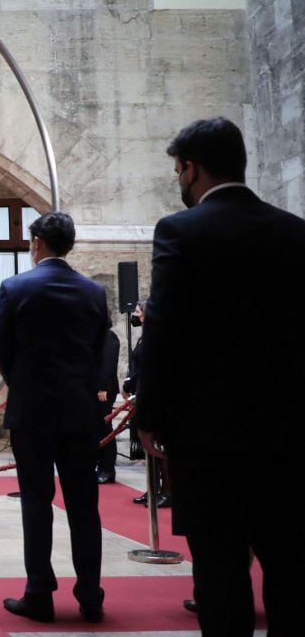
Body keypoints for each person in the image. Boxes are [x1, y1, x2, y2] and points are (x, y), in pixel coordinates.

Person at [135, 117, 305, 637]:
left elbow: (164, 330)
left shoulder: (182, 230)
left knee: (221, 571)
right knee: (291, 571)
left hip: (210, 438)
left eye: (177, 170)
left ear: (190, 168)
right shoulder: (294, 231)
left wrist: (149, 415)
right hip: (289, 433)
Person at [0, 211, 110, 624]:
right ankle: (91, 597)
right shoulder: (94, 292)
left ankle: (39, 594)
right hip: (79, 414)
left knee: (36, 505)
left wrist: (24, 386)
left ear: (37, 242)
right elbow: (99, 352)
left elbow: (3, 352)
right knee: (84, 507)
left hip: (32, 413)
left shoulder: (14, 287)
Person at [123, 302, 170, 508]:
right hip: (142, 395)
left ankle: (168, 491)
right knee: (151, 452)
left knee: (160, 451)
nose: (134, 314)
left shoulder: (156, 337)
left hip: (155, 399)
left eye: (138, 311)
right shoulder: (144, 337)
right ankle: (153, 488)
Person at [95, 327, 120, 484]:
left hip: (104, 390)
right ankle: (100, 464)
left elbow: (108, 363)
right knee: (97, 429)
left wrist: (102, 387)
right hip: (93, 390)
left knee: (105, 428)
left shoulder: (108, 336)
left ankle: (108, 468)